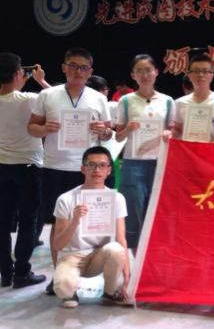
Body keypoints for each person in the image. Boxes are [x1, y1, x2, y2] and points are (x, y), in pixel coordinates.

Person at [27, 47, 112, 294]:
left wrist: (103, 130)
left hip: (89, 170)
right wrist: (44, 129)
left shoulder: (98, 98)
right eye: (73, 66)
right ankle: (59, 277)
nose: (78, 71)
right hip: (55, 167)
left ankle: (90, 275)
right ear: (64, 67)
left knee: (91, 224)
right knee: (59, 224)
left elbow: (109, 133)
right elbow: (31, 127)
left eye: (83, 67)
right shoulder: (47, 95)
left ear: (90, 71)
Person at [52, 146, 130, 308]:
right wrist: (75, 220)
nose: (97, 170)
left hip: (99, 255)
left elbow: (121, 239)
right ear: (83, 169)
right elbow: (58, 244)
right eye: (91, 165)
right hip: (72, 256)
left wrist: (127, 277)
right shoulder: (66, 199)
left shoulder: (117, 198)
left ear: (109, 170)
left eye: (102, 165)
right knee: (64, 289)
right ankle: (70, 289)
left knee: (116, 249)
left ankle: (109, 292)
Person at [115, 54, 174, 254]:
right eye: (139, 71)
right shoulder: (125, 101)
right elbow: (118, 137)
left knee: (158, 211)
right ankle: (136, 260)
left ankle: (155, 258)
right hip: (133, 164)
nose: (144, 75)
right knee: (134, 212)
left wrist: (168, 134)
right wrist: (127, 130)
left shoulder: (167, 101)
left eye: (148, 70)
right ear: (133, 75)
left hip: (159, 163)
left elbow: (172, 131)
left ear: (156, 72)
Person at [0, 53, 49, 288]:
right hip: (29, 168)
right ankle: (22, 273)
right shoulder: (31, 99)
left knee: (2, 222)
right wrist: (41, 80)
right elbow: (58, 101)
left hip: (2, 168)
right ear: (19, 73)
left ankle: (5, 273)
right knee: (28, 222)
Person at [173, 53, 214, 143]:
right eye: (196, 71)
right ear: (189, 75)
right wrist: (169, 133)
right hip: (188, 150)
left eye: (205, 71)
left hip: (213, 151)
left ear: (212, 75)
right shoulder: (179, 103)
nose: (201, 75)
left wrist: (211, 146)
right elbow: (177, 129)